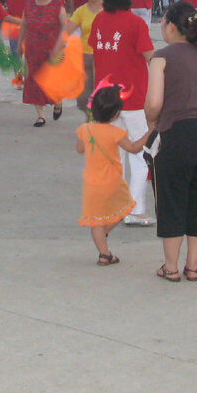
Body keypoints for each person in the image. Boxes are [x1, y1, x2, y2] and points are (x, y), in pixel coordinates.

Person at [145, 1, 197, 282]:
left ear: (172, 26)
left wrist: (153, 124)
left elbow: (153, 103)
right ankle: (193, 266)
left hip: (177, 132)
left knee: (172, 198)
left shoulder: (161, 57)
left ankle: (171, 266)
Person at [90, 0, 155, 225]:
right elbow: (152, 59)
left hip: (105, 100)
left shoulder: (99, 21)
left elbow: (97, 60)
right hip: (133, 99)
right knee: (139, 155)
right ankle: (135, 210)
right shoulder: (136, 23)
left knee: (112, 156)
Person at [76, 84, 147, 267]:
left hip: (91, 184)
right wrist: (150, 132)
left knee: (95, 221)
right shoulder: (116, 132)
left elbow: (80, 149)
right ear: (116, 114)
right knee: (126, 206)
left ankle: (104, 253)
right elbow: (133, 148)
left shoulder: (85, 129)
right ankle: (105, 239)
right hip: (113, 182)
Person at [21, 0, 69, 127]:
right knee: (34, 81)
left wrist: (60, 45)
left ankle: (58, 102)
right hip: (32, 50)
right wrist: (19, 45)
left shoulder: (57, 5)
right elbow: (23, 24)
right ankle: (40, 116)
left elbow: (65, 27)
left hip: (52, 50)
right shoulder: (28, 4)